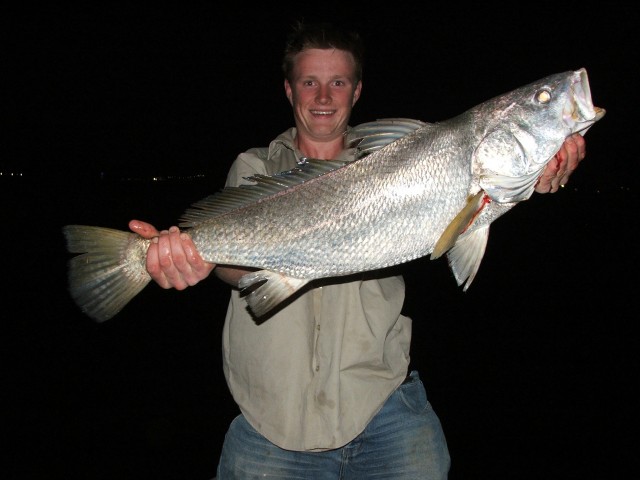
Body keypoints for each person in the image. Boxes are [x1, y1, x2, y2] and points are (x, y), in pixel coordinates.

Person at [129, 21, 587, 479]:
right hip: (271, 420)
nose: (324, 96)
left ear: (357, 90)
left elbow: (484, 199)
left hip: (385, 407)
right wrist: (189, 257)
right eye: (310, 82)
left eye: (338, 82)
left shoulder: (397, 155)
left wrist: (538, 176)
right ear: (289, 90)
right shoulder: (255, 169)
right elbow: (237, 270)